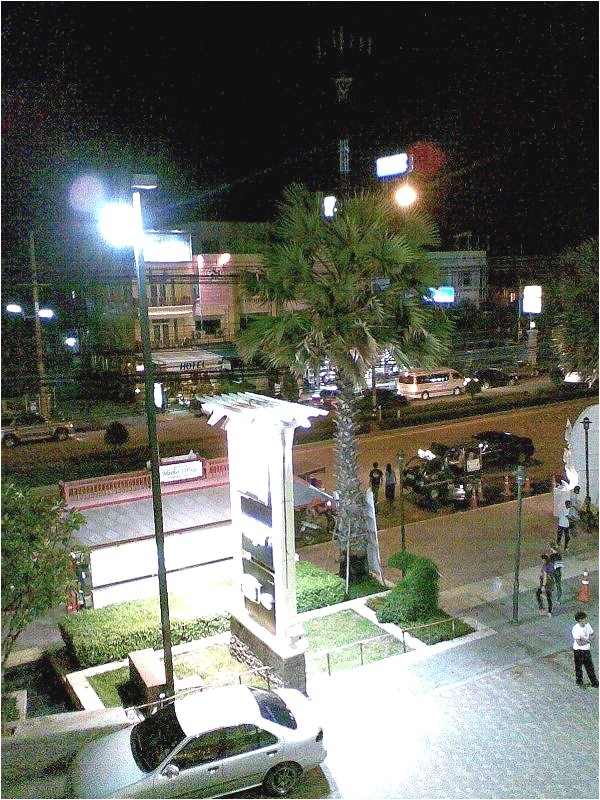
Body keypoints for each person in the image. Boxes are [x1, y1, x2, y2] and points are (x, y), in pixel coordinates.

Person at [571, 612, 599, 688]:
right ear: (580, 620)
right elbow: (579, 643)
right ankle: (579, 681)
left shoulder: (587, 625)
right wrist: (588, 641)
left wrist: (588, 639)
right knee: (578, 667)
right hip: (578, 650)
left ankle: (595, 682)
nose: (586, 619)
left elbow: (593, 634)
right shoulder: (576, 629)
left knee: (590, 667)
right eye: (584, 618)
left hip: (586, 649)